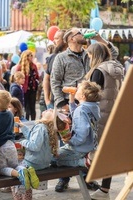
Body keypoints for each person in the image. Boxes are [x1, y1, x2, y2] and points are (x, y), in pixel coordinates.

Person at [50, 28, 118, 192]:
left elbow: (113, 54)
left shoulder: (91, 53)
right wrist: (62, 103)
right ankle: (64, 178)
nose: (82, 34)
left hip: (88, 104)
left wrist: (100, 38)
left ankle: (87, 178)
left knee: (87, 141)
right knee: (68, 141)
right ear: (70, 39)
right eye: (77, 33)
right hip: (70, 103)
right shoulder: (61, 57)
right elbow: (55, 81)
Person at [85, 43, 124, 200]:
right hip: (113, 114)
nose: (88, 58)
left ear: (95, 55)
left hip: (100, 115)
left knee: (93, 151)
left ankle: (97, 183)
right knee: (107, 153)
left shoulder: (98, 71)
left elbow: (93, 95)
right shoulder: (116, 69)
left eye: (89, 55)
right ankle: (104, 189)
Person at [0, 90, 39, 191]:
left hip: (0, 147)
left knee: (2, 169)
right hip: (11, 145)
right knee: (15, 165)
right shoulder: (10, 114)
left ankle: (19, 174)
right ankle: (25, 170)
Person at [53, 81, 101, 168]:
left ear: (83, 96)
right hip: (90, 146)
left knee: (53, 158)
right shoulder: (93, 107)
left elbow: (82, 134)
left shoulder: (81, 111)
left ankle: (83, 162)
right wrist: (71, 101)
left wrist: (70, 141)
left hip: (79, 149)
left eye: (78, 89)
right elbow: (77, 114)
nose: (76, 89)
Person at [12, 109, 58, 199]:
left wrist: (22, 142)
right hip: (43, 163)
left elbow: (34, 146)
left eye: (51, 110)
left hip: (33, 163)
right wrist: (23, 127)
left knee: (16, 172)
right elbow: (33, 138)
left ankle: (21, 197)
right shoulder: (49, 127)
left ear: (48, 118)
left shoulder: (40, 127)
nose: (49, 109)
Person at [43, 30, 67, 109]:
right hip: (55, 103)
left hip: (70, 101)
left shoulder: (74, 57)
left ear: (64, 40)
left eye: (57, 38)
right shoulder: (53, 58)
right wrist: (47, 100)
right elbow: (46, 79)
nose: (53, 41)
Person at [16, 50, 39, 120]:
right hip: (24, 89)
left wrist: (37, 81)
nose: (32, 57)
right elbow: (16, 77)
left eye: (32, 55)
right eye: (30, 56)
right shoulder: (20, 67)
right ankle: (26, 121)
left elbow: (37, 76)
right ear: (27, 57)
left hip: (33, 89)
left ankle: (33, 122)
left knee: (32, 107)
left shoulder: (34, 66)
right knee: (26, 107)